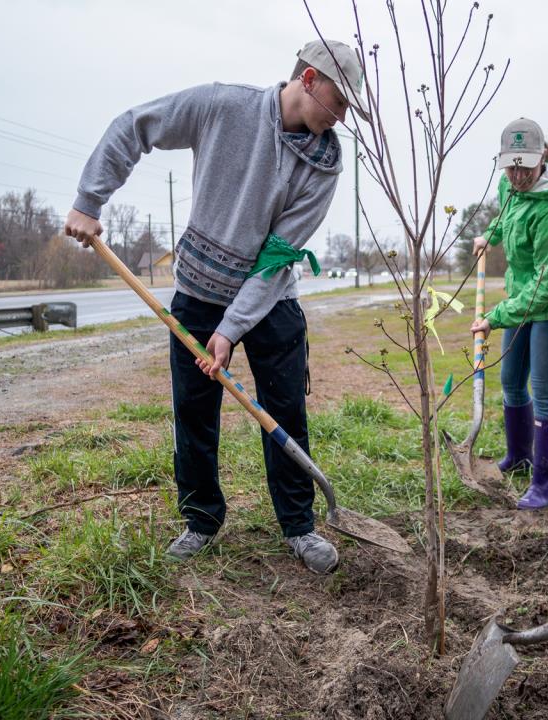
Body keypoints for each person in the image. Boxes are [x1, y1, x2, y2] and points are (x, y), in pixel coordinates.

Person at [64, 39, 370, 574]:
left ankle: (299, 526)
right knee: (194, 413)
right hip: (198, 292)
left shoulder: (326, 166)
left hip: (270, 298)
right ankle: (201, 519)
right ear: (308, 79)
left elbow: (277, 258)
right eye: (339, 102)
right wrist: (90, 200)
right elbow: (135, 125)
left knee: (285, 411)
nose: (342, 117)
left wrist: (231, 330)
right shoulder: (221, 107)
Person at [470, 118, 548, 510]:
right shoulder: (510, 184)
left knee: (543, 392)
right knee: (510, 380)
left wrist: (495, 316)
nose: (518, 175)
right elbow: (506, 215)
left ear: (543, 158)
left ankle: (544, 485)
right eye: (511, 166)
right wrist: (490, 234)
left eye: (525, 166)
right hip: (523, 297)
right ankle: (519, 456)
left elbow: (545, 285)